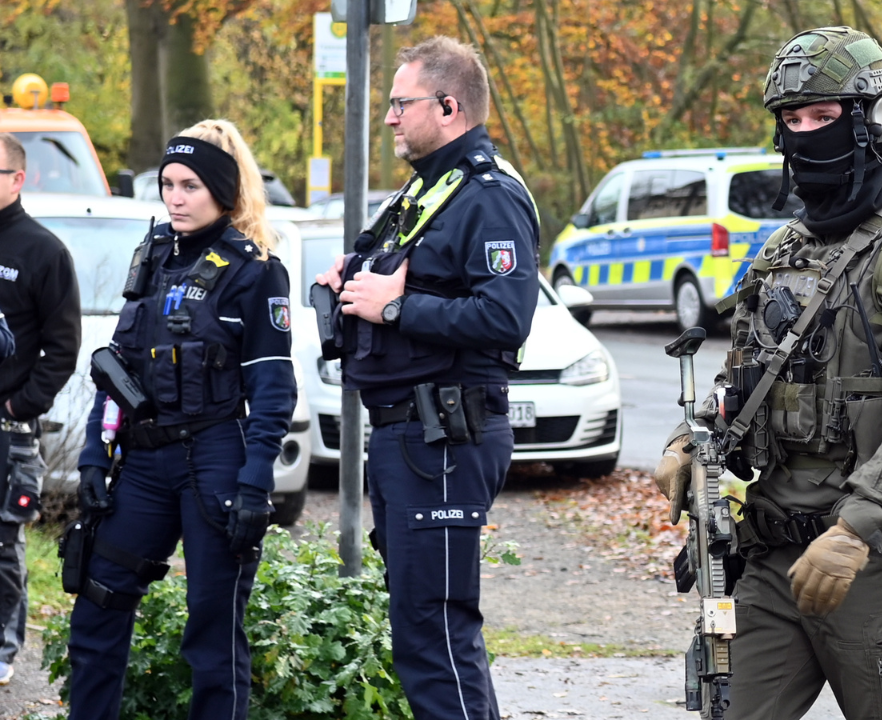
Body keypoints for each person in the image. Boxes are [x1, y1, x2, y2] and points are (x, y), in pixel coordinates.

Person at [652, 26, 882, 720]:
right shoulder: (783, 250)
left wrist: (856, 530)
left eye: (823, 117)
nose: (803, 134)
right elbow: (743, 376)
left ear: (875, 123)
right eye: (791, 120)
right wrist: (692, 437)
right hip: (772, 561)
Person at [313, 36, 539, 718]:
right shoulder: (427, 192)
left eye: (398, 103)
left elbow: (506, 317)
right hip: (409, 437)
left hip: (444, 434)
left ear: (449, 105)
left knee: (437, 633)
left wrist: (396, 306)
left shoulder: (487, 196)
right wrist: (350, 283)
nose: (387, 118)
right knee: (420, 631)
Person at [67, 120, 296, 719]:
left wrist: (254, 486)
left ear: (222, 190)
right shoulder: (152, 257)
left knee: (213, 633)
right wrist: (95, 456)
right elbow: (116, 371)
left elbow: (274, 391)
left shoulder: (255, 270)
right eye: (168, 184)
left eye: (190, 185)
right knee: (96, 605)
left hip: (214, 460)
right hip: (142, 464)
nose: (174, 197)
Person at [0, 132, 67, 686]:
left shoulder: (43, 251)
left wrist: (21, 402)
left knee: (4, 543)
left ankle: (2, 649)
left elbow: (62, 346)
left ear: (17, 179)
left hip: (9, 431)